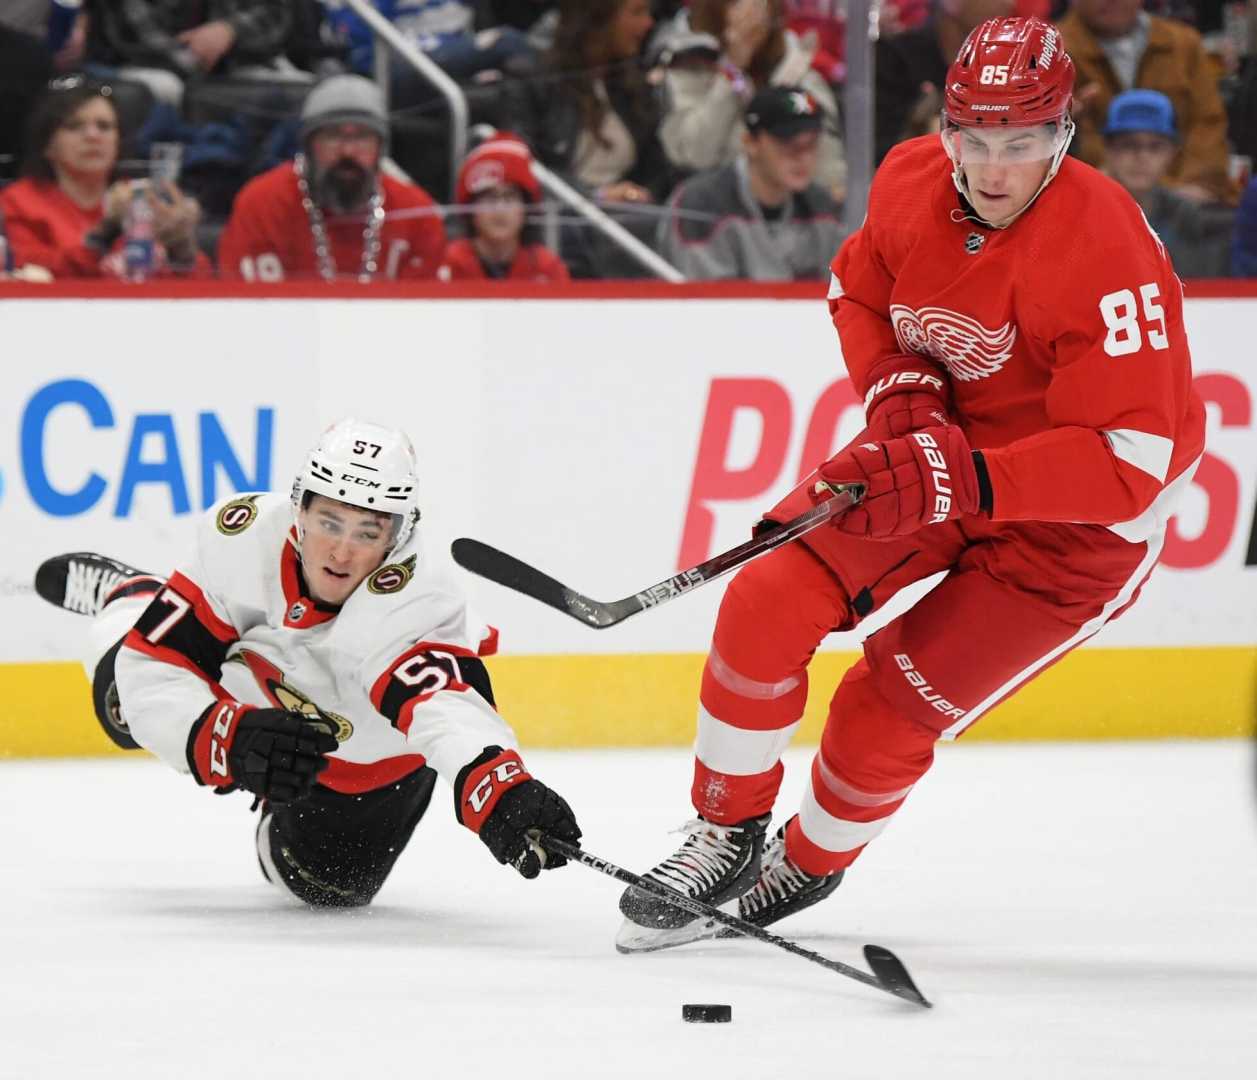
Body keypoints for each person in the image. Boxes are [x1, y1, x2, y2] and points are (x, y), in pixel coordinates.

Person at [617, 15, 1204, 951]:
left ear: (1062, 132)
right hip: (929, 462)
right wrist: (899, 395)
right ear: (945, 128)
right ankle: (724, 832)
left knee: (881, 709)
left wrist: (957, 471)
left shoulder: (1106, 251)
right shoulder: (907, 180)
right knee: (768, 596)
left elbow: (1129, 466)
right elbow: (856, 292)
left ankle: (804, 866)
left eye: (1021, 143)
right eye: (973, 139)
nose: (994, 169)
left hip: (1073, 531)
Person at [33, 418, 583, 908]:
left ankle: (269, 786)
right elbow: (158, 665)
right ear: (298, 508)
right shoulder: (244, 537)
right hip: (254, 680)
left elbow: (442, 703)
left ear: (399, 535)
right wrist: (226, 739)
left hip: (367, 755)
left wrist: (498, 784)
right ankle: (133, 599)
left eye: (369, 532)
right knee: (123, 705)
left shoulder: (420, 594)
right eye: (330, 523)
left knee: (324, 887)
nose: (342, 553)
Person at [218, 74, 447, 282]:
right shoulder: (261, 203)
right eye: (333, 136)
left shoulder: (417, 214)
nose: (348, 151)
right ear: (309, 145)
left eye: (362, 137)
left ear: (380, 148)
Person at [0, 78, 206, 279]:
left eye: (104, 126)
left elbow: (205, 281)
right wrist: (106, 233)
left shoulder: (143, 197)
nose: (93, 136)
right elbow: (29, 268)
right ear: (47, 145)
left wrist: (181, 249)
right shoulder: (19, 202)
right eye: (74, 126)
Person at [654, 0, 846, 202]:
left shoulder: (798, 71)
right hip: (711, 210)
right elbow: (693, 154)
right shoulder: (689, 63)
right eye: (736, 3)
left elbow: (830, 172)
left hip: (793, 213)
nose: (750, 11)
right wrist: (733, 69)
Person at [656, 84, 844, 280]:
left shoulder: (822, 207)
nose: (803, 157)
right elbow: (705, 303)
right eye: (788, 144)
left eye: (812, 144)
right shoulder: (700, 205)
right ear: (750, 143)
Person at [1058, 0, 1234, 203]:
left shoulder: (1184, 44)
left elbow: (1208, 124)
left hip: (1189, 199)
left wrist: (1197, 185)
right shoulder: (1052, 53)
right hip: (1093, 201)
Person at [1102, 89, 1232, 276]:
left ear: (1172, 153)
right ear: (1108, 150)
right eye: (1129, 145)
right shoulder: (1087, 211)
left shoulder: (1183, 214)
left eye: (1155, 147)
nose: (1142, 157)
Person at [438, 133, 570, 281]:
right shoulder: (447, 264)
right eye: (489, 197)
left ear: (525, 207)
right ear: (471, 207)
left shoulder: (547, 267)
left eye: (510, 197)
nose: (500, 208)